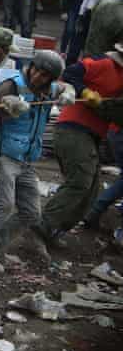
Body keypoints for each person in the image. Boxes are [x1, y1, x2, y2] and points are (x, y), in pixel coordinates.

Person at [0, 51, 70, 273]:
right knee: (2, 205)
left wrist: (70, 92)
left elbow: (67, 87)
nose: (38, 77)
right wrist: (6, 108)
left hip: (27, 160)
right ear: (31, 66)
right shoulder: (11, 86)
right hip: (4, 155)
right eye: (37, 71)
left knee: (31, 212)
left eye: (45, 75)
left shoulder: (50, 89)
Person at [36, 46, 123, 248]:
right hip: (74, 129)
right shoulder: (105, 65)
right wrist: (84, 90)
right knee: (80, 182)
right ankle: (44, 224)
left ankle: (55, 229)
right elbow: (69, 73)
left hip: (91, 134)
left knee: (91, 191)